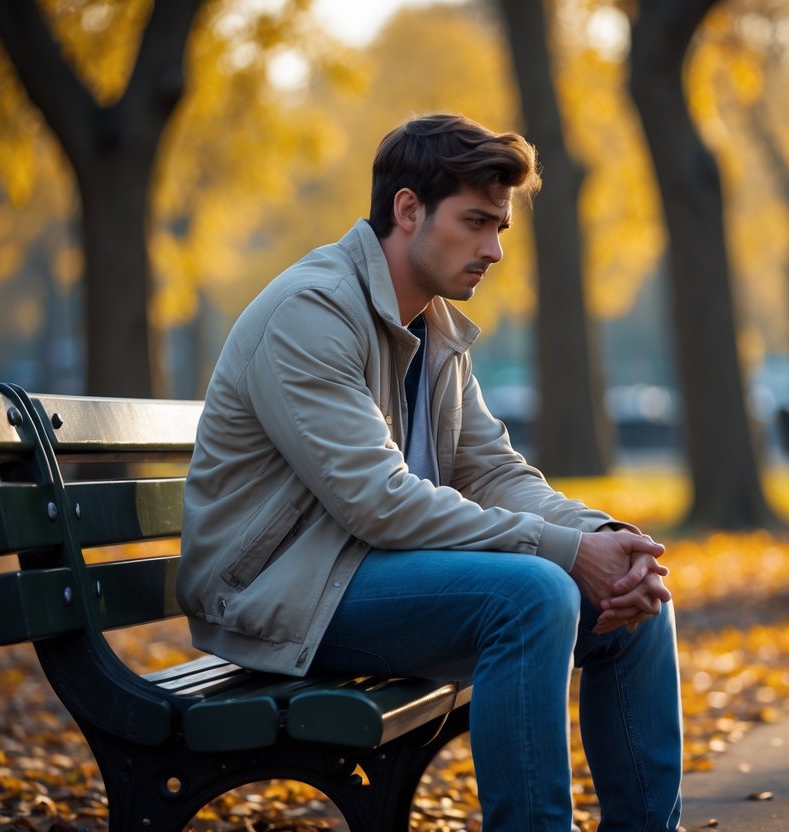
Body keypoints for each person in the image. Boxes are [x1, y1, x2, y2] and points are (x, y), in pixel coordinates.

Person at [177, 113, 683, 831]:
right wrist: (568, 555)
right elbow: (377, 503)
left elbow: (492, 470)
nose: (494, 249)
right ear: (407, 209)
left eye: (501, 226)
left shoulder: (435, 329)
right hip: (279, 591)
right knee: (534, 593)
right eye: (476, 221)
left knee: (635, 602)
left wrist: (602, 537)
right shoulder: (312, 311)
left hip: (365, 575)